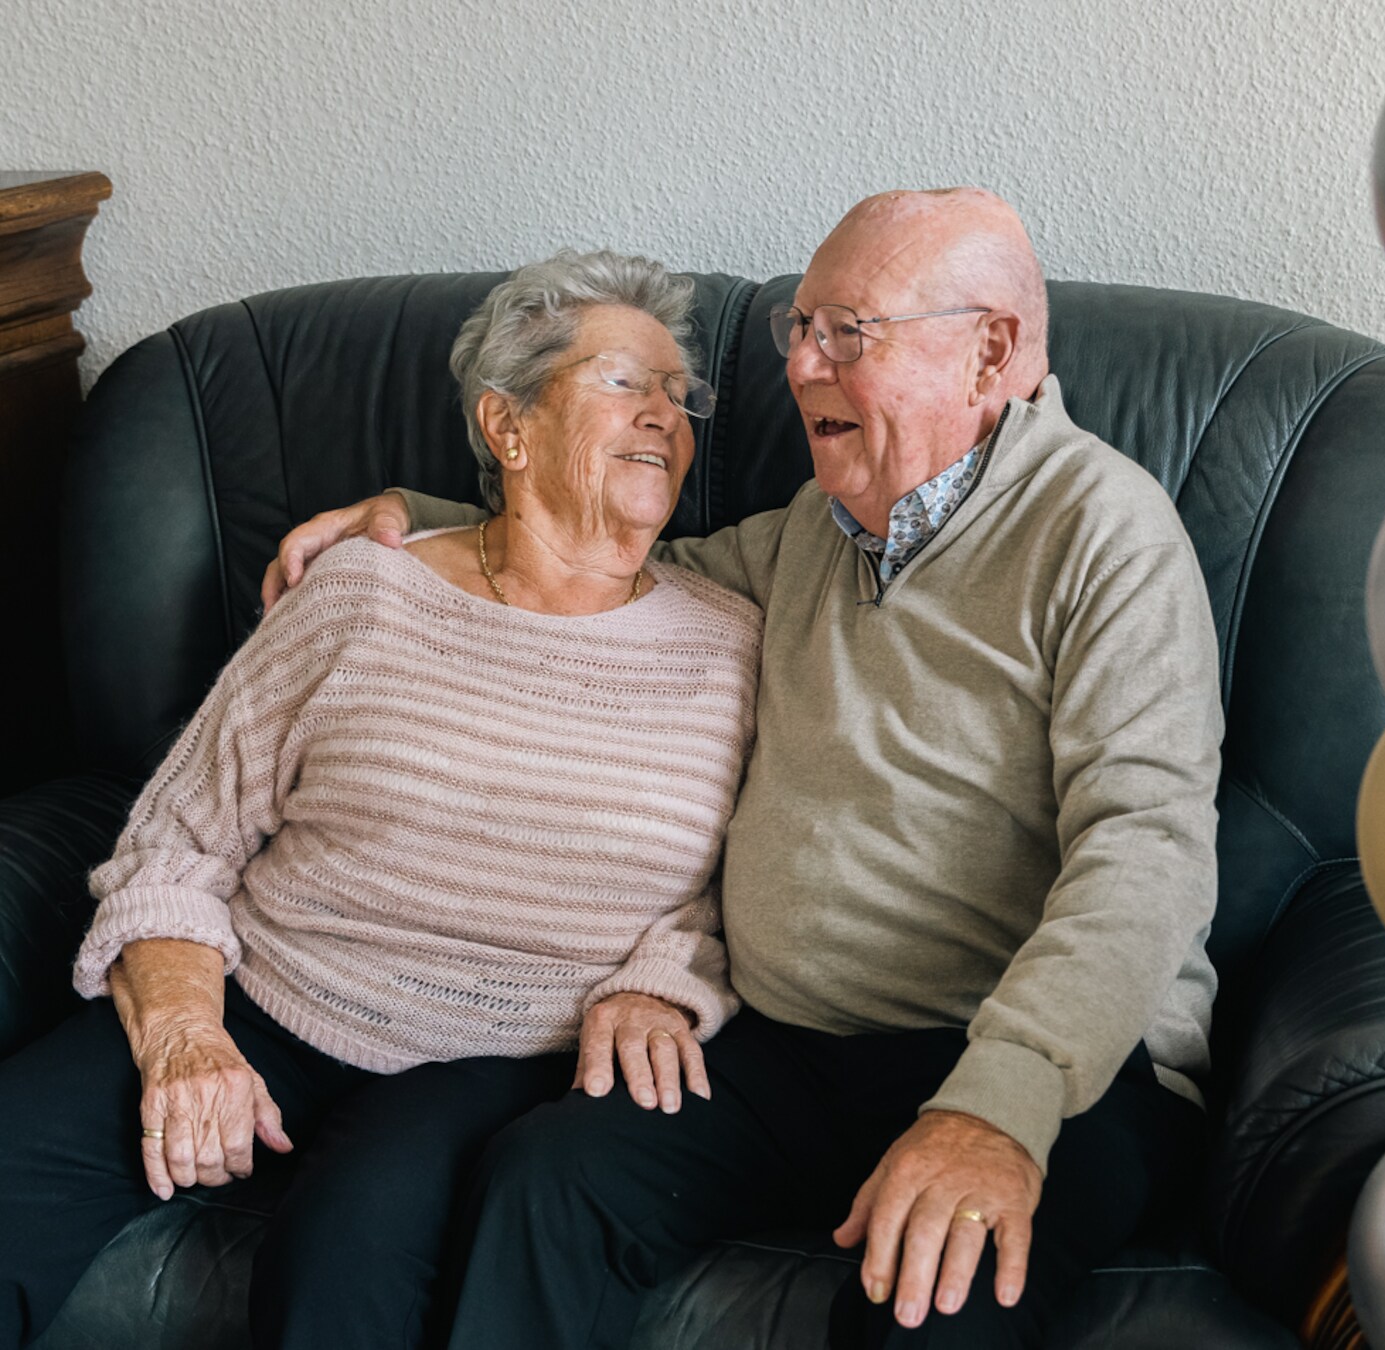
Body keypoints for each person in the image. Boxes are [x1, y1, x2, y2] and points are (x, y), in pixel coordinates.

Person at [265, 187, 1225, 1349]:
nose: (803, 365)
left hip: (1035, 1065)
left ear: (991, 353)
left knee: (935, 1303)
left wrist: (995, 1111)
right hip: (788, 1045)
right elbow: (616, 562)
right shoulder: (806, 536)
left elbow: (1148, 853)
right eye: (798, 329)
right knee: (546, 1180)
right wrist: (413, 517)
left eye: (848, 333)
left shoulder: (1106, 534)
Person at [0, 250, 762, 1350]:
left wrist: (669, 981)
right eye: (623, 382)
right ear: (508, 427)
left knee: (346, 1261)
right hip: (271, 990)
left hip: (508, 1052)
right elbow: (180, 837)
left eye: (680, 395)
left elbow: (759, 874)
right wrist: (183, 1032)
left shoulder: (733, 638)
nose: (667, 416)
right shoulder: (364, 594)